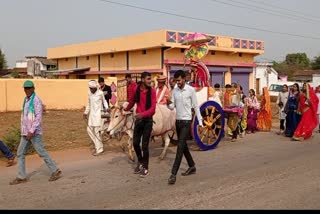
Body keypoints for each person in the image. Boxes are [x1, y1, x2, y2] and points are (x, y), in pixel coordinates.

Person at [10, 80, 62, 185]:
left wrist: (31, 131)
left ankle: (55, 170)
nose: (27, 90)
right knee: (20, 153)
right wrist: (25, 130)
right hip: (25, 132)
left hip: (34, 133)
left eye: (29, 88)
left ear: (33, 89)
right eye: (25, 88)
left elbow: (38, 118)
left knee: (41, 152)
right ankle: (21, 176)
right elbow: (25, 116)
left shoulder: (36, 100)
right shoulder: (26, 100)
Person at [166, 70, 203, 185]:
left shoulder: (190, 90)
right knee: (183, 146)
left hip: (187, 121)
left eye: (179, 80)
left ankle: (173, 174)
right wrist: (168, 103)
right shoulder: (175, 91)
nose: (178, 83)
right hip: (178, 122)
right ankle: (192, 166)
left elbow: (196, 106)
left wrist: (200, 122)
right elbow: (172, 107)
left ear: (184, 79)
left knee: (180, 147)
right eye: (176, 81)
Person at [123, 71, 156, 177]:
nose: (150, 81)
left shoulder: (152, 92)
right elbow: (132, 101)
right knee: (136, 143)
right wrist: (125, 109)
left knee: (145, 146)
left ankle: (146, 167)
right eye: (148, 79)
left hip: (147, 121)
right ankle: (140, 161)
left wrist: (142, 114)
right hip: (139, 120)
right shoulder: (136, 89)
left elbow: (153, 109)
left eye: (150, 79)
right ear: (142, 80)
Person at [83, 80, 109, 156]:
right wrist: (85, 112)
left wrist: (107, 108)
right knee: (89, 130)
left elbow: (104, 102)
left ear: (95, 88)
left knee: (97, 132)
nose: (91, 89)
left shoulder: (100, 93)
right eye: (90, 88)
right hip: (91, 115)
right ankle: (98, 145)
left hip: (98, 115)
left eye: (92, 88)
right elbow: (88, 103)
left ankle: (99, 149)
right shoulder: (89, 93)